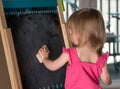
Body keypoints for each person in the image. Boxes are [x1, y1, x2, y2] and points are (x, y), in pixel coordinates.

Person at [36, 8, 112, 89]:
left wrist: (44, 59)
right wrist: (109, 81)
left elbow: (52, 66)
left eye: (71, 31)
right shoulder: (100, 57)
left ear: (82, 33)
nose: (69, 34)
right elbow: (106, 79)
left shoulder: (70, 54)